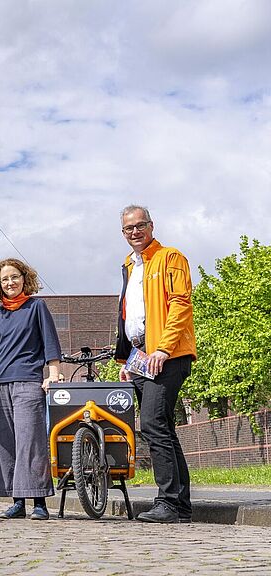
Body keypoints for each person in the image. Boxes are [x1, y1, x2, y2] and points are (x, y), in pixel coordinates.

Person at [115, 205, 196, 523]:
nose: (135, 232)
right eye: (129, 228)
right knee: (163, 428)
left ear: (151, 226)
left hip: (166, 354)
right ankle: (181, 506)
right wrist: (126, 359)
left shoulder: (169, 257)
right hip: (140, 356)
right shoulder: (129, 265)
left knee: (151, 423)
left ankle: (168, 501)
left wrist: (163, 348)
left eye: (140, 225)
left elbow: (180, 304)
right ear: (123, 232)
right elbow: (129, 314)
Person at [0, 258, 61, 521]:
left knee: (31, 442)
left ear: (24, 279)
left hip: (28, 381)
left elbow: (50, 342)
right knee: (5, 445)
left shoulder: (37, 307)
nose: (10, 282)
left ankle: (39, 502)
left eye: (14, 277)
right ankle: (17, 502)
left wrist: (53, 374)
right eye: (5, 279)